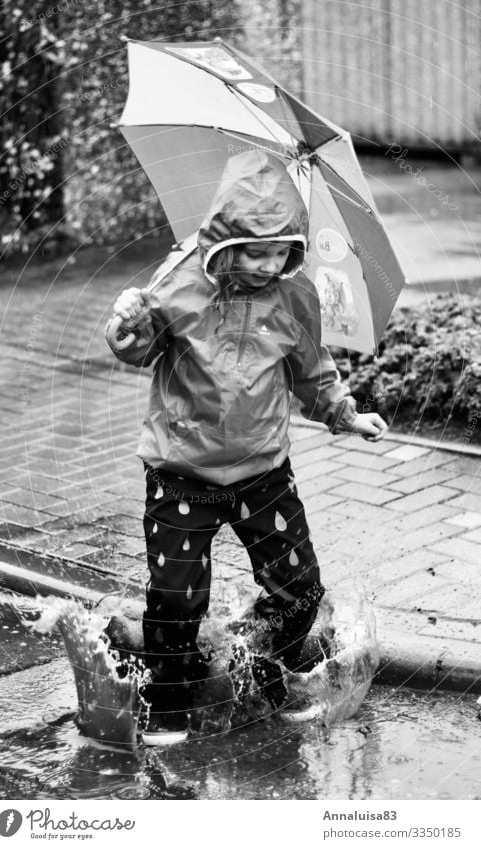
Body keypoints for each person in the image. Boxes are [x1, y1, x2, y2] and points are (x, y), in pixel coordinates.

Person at [105, 150, 387, 746]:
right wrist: (125, 325)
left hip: (264, 474)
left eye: (281, 250)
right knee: (177, 599)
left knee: (301, 588)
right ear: (222, 244)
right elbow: (139, 345)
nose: (266, 264)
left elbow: (313, 370)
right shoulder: (178, 284)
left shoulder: (294, 296)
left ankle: (259, 665)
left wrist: (344, 413)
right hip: (182, 473)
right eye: (253, 251)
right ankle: (169, 702)